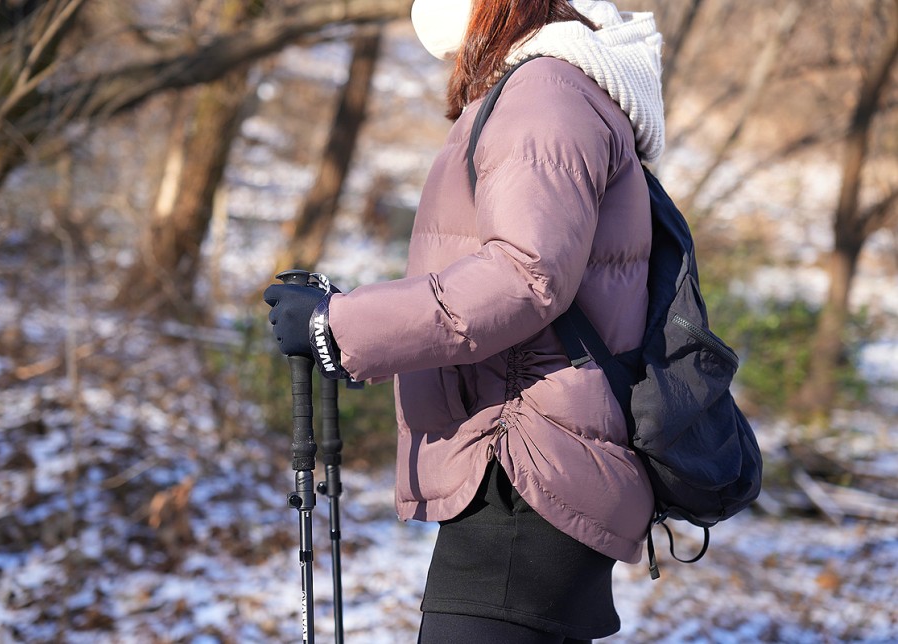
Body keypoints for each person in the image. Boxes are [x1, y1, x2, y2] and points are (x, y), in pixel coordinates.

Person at [264, 0, 665, 641]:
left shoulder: (545, 91)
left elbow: (525, 276)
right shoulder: (560, 87)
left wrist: (341, 328)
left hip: (523, 464)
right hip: (538, 465)